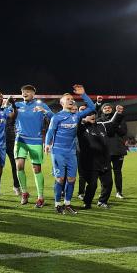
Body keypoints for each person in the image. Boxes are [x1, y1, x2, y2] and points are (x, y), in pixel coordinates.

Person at [44, 84, 96, 215]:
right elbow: (50, 131)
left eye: (72, 98)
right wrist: (47, 144)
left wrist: (83, 94)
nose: (71, 100)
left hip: (71, 152)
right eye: (68, 99)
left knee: (72, 179)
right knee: (60, 179)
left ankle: (67, 204)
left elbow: (92, 107)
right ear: (62, 103)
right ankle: (57, 204)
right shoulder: (57, 117)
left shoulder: (76, 116)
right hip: (58, 152)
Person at [10, 85, 53, 208]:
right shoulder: (17, 105)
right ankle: (24, 193)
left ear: (33, 94)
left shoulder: (41, 105)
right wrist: (8, 105)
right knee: (19, 166)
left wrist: (44, 111)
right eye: (23, 91)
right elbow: (7, 115)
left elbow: (53, 118)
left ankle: (40, 197)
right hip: (21, 140)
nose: (25, 93)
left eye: (28, 92)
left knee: (36, 169)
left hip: (36, 141)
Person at [78, 105, 125, 209]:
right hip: (90, 161)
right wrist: (83, 120)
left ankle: (102, 201)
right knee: (92, 184)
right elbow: (77, 122)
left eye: (93, 114)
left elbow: (113, 123)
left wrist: (118, 113)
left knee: (108, 183)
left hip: (104, 160)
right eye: (89, 114)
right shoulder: (81, 127)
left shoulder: (101, 125)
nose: (92, 116)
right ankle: (87, 202)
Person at [98, 103, 128, 199]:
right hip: (104, 150)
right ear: (102, 110)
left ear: (112, 109)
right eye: (105, 108)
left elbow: (123, 132)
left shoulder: (120, 119)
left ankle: (119, 192)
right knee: (104, 172)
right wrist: (114, 125)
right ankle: (103, 192)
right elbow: (105, 132)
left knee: (118, 172)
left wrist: (113, 125)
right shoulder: (99, 120)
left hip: (118, 149)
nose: (107, 109)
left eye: (109, 108)